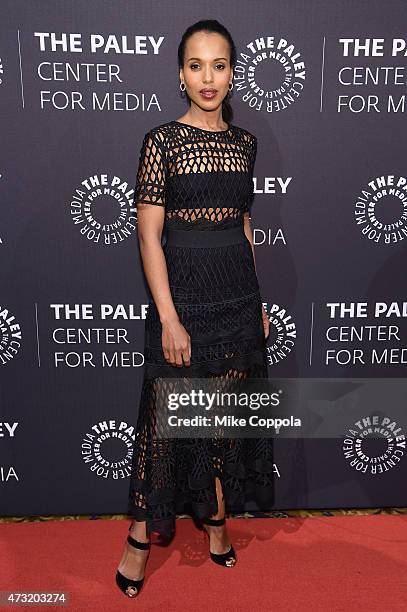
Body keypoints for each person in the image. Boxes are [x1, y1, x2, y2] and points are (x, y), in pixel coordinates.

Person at [116, 18, 273, 598]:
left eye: (220, 65)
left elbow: (245, 225)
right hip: (185, 296)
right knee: (164, 424)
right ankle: (138, 541)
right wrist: (170, 317)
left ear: (233, 75)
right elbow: (148, 235)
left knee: (225, 418)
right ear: (181, 75)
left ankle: (215, 523)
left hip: (237, 295)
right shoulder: (162, 142)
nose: (209, 77)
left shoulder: (245, 144)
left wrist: (258, 300)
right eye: (196, 65)